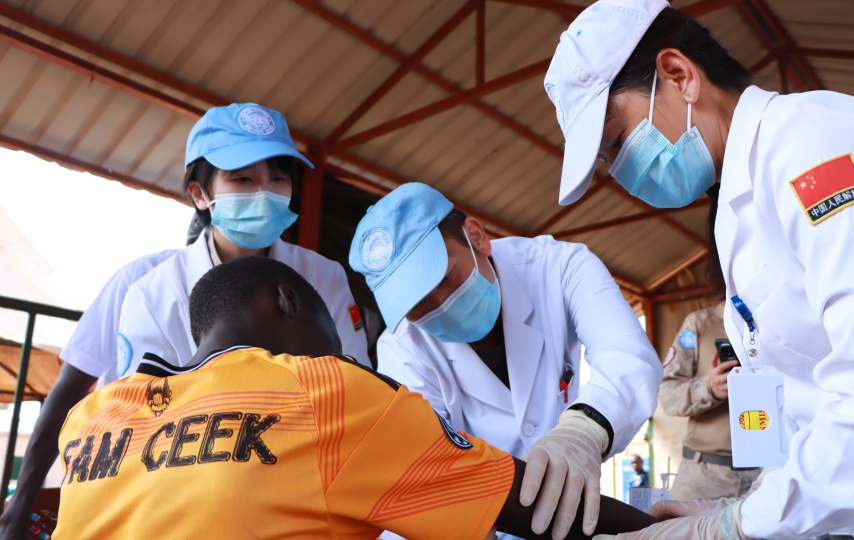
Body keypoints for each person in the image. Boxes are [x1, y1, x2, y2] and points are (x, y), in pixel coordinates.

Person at [544, 0, 854, 538]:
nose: (622, 170)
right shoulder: (742, 204)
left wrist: (737, 525)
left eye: (618, 141)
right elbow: (807, 409)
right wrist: (741, 512)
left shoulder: (812, 148)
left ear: (678, 75)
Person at [53, 256, 657, 539]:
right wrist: (681, 529)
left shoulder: (92, 420)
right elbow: (529, 504)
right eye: (335, 334)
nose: (342, 351)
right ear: (288, 301)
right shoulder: (323, 392)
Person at [348, 182, 663, 539]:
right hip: (476, 520)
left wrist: (584, 431)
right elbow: (422, 463)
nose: (439, 306)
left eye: (444, 277)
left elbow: (627, 357)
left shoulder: (559, 267)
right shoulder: (402, 346)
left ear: (476, 237)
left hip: (566, 511)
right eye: (415, 304)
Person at [116, 103, 370, 377]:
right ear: (199, 194)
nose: (264, 193)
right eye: (243, 179)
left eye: (278, 178)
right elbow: (144, 405)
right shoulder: (154, 296)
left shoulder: (325, 276)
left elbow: (356, 379)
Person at [0, 249, 177, 539]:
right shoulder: (141, 277)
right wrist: (18, 509)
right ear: (200, 200)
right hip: (115, 479)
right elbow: (69, 389)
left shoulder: (274, 273)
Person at [658, 304, 760, 500]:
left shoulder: (779, 321)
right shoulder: (699, 323)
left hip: (766, 477)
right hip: (703, 479)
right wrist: (709, 389)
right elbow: (667, 395)